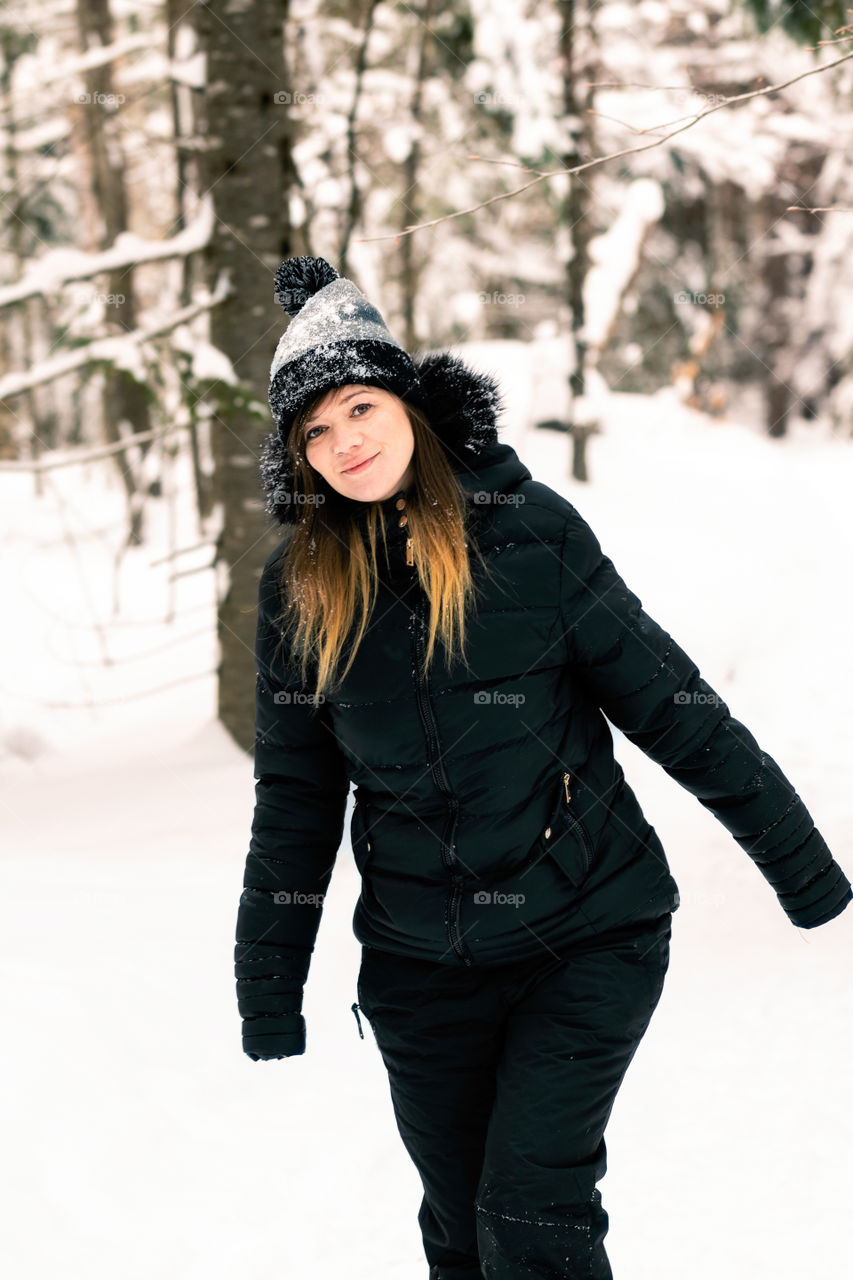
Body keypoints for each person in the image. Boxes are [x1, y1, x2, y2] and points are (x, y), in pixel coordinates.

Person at [234, 256, 851, 1280]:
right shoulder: (300, 588)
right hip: (419, 966)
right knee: (460, 1226)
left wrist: (802, 868)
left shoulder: (529, 535)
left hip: (587, 930)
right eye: (315, 431)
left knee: (532, 1210)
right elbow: (295, 795)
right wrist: (268, 978)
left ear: (410, 405)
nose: (343, 441)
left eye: (358, 407)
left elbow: (674, 705)